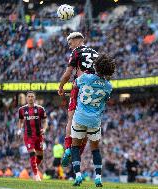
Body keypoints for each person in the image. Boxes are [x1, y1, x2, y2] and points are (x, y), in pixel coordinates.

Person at [70, 54, 116, 187]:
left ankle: (78, 176)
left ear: (96, 66)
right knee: (95, 149)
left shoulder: (86, 77)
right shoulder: (108, 86)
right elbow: (105, 100)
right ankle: (98, 178)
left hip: (80, 117)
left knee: (75, 147)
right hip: (95, 120)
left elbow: (75, 85)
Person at [58, 32, 99, 167]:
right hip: (94, 89)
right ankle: (77, 154)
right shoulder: (95, 53)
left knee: (71, 117)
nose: (70, 47)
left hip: (80, 85)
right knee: (88, 124)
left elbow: (68, 73)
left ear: (77, 40)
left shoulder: (76, 52)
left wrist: (61, 86)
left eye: (70, 43)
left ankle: (68, 148)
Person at [17, 91, 48, 181]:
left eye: (32, 96)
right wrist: (19, 129)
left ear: (34, 98)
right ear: (26, 98)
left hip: (39, 135)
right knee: (32, 153)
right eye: (29, 96)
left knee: (40, 156)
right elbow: (20, 121)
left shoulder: (40, 109)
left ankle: (33, 168)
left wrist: (44, 129)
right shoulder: (22, 110)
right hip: (28, 135)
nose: (30, 98)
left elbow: (45, 121)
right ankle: (35, 174)